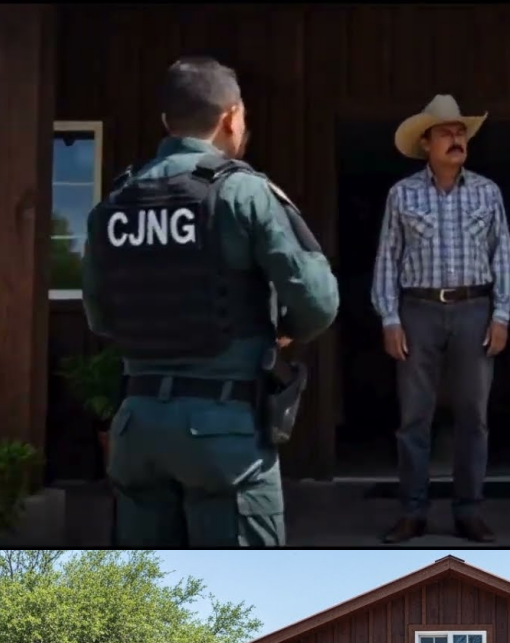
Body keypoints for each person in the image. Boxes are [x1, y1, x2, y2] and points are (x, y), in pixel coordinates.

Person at [82, 56, 339, 549]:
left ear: (166, 122)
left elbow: (101, 316)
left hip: (136, 428)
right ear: (231, 117)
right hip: (225, 433)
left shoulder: (113, 204)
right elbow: (318, 301)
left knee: (146, 595)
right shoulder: (243, 193)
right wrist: (286, 331)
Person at [372, 94, 510, 544]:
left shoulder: (487, 191)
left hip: (475, 308)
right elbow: (387, 258)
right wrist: (389, 318)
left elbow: (504, 255)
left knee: (473, 416)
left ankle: (468, 510)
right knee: (414, 416)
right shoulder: (402, 194)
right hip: (417, 310)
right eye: (446, 133)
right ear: (426, 143)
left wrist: (501, 314)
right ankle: (413, 512)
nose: (456, 139)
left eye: (460, 132)